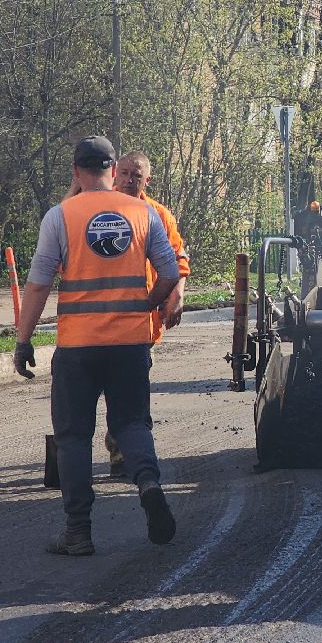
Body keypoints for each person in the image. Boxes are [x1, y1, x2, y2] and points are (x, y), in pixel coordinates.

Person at [14, 135, 183, 556]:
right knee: (132, 425)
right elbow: (169, 273)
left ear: (76, 171)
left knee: (73, 436)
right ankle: (148, 482)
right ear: (113, 170)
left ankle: (78, 532)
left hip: (78, 346)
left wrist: (23, 339)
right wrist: (147, 304)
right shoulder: (143, 212)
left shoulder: (61, 215)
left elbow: (38, 284)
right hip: (130, 344)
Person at [101, 150, 190, 478]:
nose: (128, 180)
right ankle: (120, 448)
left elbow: (178, 260)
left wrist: (176, 297)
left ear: (146, 180)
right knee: (112, 388)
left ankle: (125, 452)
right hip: (98, 320)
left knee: (130, 389)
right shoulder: (98, 210)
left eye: (135, 176)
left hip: (140, 321)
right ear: (113, 174)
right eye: (123, 173)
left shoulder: (158, 215)